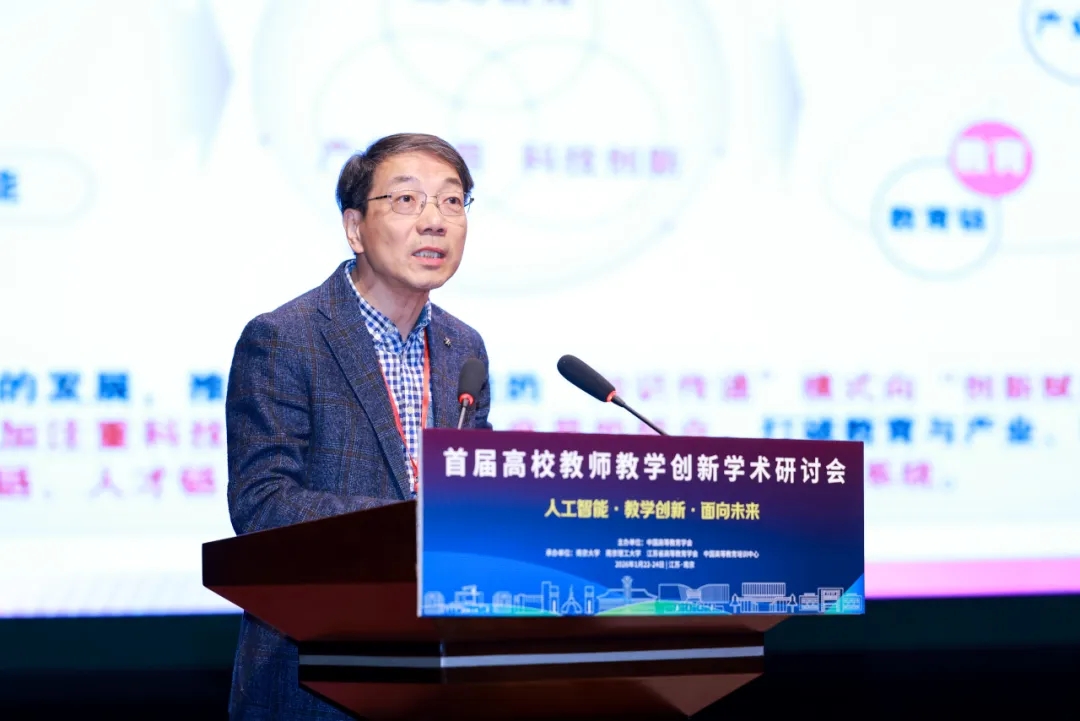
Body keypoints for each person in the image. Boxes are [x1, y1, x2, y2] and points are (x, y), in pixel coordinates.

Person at [224, 132, 492, 719]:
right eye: (406, 200)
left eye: (452, 201)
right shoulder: (285, 338)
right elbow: (262, 506)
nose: (435, 221)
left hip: (440, 678)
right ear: (354, 228)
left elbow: (473, 494)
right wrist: (411, 525)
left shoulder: (463, 348)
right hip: (316, 678)